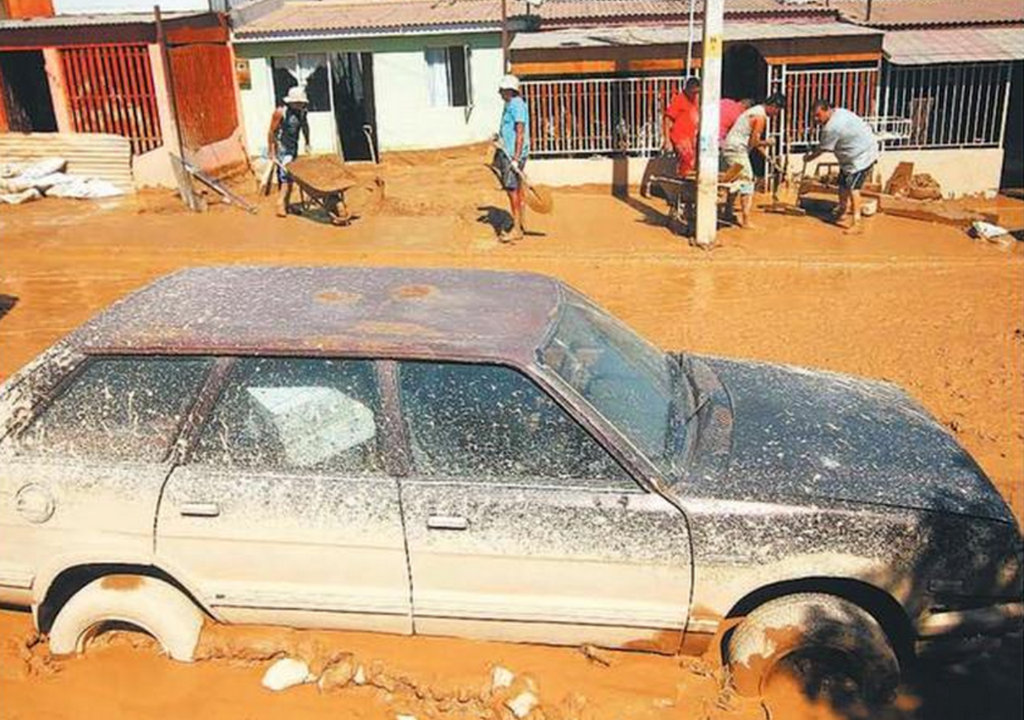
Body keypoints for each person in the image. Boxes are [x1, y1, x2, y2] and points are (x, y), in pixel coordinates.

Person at [804, 99, 879, 234]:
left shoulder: (832, 127)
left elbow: (823, 149)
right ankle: (842, 210)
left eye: (818, 115)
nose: (816, 119)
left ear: (827, 110)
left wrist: (809, 158)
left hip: (861, 156)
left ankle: (857, 222)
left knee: (853, 188)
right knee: (842, 184)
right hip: (850, 156)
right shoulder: (839, 111)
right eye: (814, 116)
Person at [721, 92, 785, 229]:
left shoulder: (754, 111)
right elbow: (754, 141)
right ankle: (745, 220)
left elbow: (752, 143)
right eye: (778, 110)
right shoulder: (760, 117)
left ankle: (727, 211)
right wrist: (768, 143)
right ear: (774, 106)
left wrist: (767, 157)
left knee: (735, 179)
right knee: (747, 180)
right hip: (737, 149)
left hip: (732, 148)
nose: (777, 114)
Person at [495, 74, 530, 243]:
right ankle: (518, 224)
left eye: (502, 90)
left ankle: (517, 229)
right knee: (515, 190)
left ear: (510, 90)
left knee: (512, 190)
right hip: (507, 151)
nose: (500, 93)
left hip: (512, 155)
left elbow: (520, 133)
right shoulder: (510, 105)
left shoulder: (517, 105)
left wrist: (516, 158)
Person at [267, 85, 311, 218]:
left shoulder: (302, 112)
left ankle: (287, 204)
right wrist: (272, 152)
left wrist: (308, 142)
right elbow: (271, 132)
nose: (300, 104)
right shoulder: (280, 112)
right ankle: (280, 204)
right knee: (285, 176)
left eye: (301, 103)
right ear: (291, 102)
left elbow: (305, 127)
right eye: (298, 103)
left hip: (293, 148)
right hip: (283, 148)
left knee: (291, 177)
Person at [662, 77, 701, 177]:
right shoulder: (679, 100)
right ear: (687, 89)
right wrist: (667, 140)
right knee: (688, 159)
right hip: (680, 136)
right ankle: (683, 179)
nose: (695, 95)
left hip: (691, 137)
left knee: (694, 161)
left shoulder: (696, 100)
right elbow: (667, 119)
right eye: (693, 92)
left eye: (697, 92)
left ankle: (683, 178)